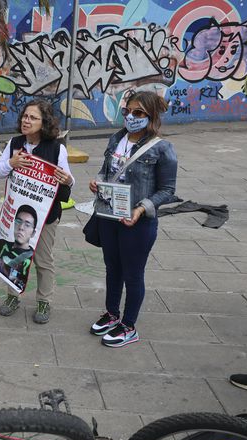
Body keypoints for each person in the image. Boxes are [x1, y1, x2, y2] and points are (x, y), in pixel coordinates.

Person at [88, 91, 177, 347]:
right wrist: (97, 181)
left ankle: (128, 326)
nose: (131, 117)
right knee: (112, 267)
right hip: (109, 215)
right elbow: (106, 170)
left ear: (151, 116)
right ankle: (112, 313)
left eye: (138, 113)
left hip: (138, 222)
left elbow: (167, 191)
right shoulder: (116, 138)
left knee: (133, 273)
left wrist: (141, 209)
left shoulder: (162, 148)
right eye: (127, 111)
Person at [0, 99, 74, 324]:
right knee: (13, 255)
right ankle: (12, 296)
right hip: (18, 213)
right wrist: (12, 163)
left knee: (43, 260)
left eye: (33, 118)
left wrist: (67, 179)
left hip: (46, 216)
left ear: (44, 123)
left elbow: (69, 180)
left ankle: (44, 301)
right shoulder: (15, 143)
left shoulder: (57, 148)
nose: (26, 121)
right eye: (25, 117)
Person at [0, 205, 38, 292]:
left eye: (27, 225)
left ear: (33, 233)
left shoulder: (30, 256)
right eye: (18, 221)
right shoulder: (1, 243)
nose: (21, 227)